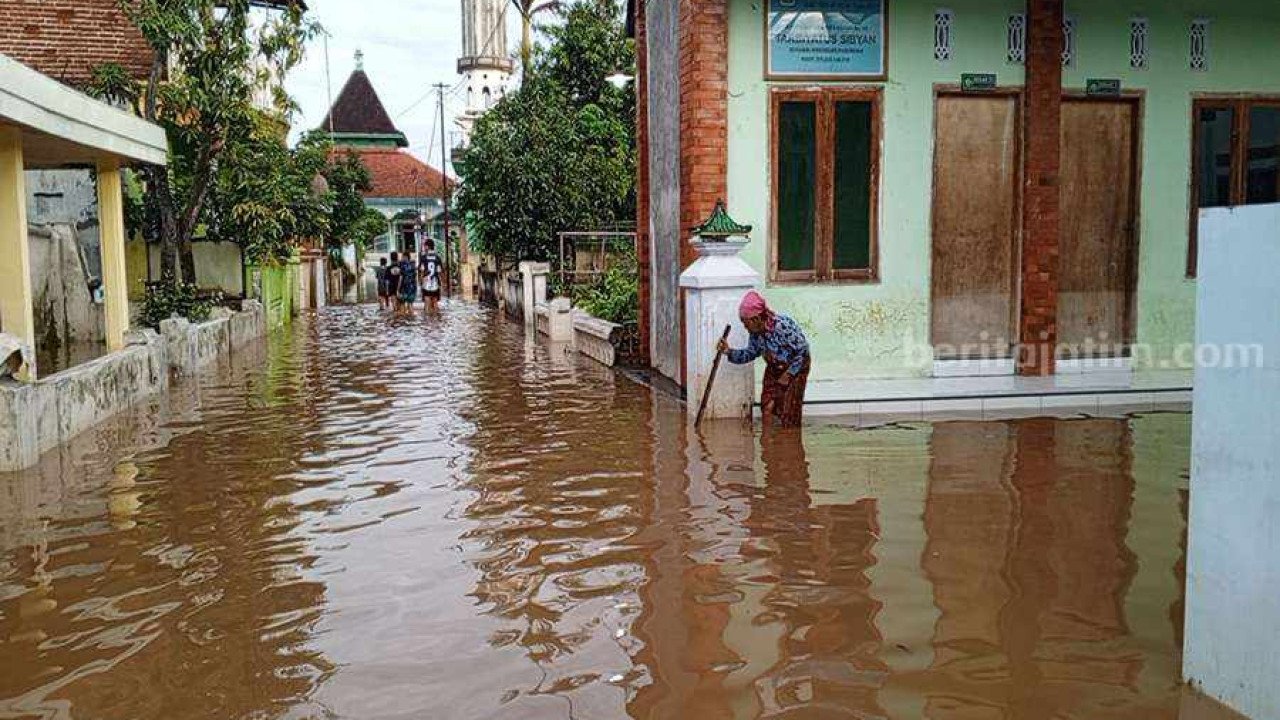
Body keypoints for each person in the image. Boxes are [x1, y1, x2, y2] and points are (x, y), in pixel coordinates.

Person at [719, 290, 811, 429]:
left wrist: (789, 374)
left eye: (746, 323)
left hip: (796, 367)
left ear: (756, 319)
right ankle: (767, 439)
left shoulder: (782, 326)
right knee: (767, 406)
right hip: (774, 368)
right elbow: (749, 354)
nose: (745, 327)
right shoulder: (755, 334)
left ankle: (789, 437)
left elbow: (803, 351)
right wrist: (728, 351)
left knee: (788, 412)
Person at [419, 239, 443, 312]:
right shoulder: (437, 257)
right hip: (435, 283)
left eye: (424, 246)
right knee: (435, 303)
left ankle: (427, 318)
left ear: (427, 246)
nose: (424, 247)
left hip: (426, 283)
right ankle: (436, 317)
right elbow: (439, 272)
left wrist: (421, 281)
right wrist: (441, 283)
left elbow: (422, 271)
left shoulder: (423, 257)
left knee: (427, 303)